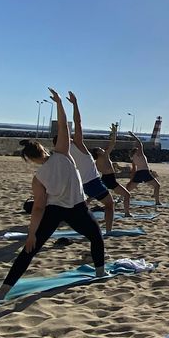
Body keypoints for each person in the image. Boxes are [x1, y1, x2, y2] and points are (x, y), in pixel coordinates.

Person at [0, 89, 106, 300]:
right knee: (96, 237)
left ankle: (3, 291)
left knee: (30, 251)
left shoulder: (38, 178)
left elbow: (38, 208)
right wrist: (60, 103)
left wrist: (32, 235)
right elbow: (64, 126)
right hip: (77, 209)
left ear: (30, 159)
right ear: (44, 149)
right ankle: (100, 273)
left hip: (54, 211)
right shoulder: (62, 152)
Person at [64, 92, 119, 233]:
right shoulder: (78, 146)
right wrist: (75, 104)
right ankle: (108, 231)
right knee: (110, 204)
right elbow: (78, 122)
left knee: (80, 208)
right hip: (93, 182)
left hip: (81, 184)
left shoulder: (63, 151)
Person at [92, 123, 132, 216]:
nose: (102, 149)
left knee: (92, 196)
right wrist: (114, 132)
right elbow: (113, 143)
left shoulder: (96, 161)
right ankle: (126, 213)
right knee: (127, 195)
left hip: (106, 179)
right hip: (109, 179)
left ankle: (81, 209)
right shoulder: (104, 156)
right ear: (98, 152)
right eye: (100, 149)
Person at [125, 131, 162, 205]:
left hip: (139, 173)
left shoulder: (133, 158)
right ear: (137, 151)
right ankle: (157, 202)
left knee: (129, 188)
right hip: (145, 172)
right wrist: (134, 136)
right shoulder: (140, 154)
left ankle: (120, 198)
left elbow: (133, 169)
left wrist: (132, 179)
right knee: (157, 185)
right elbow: (140, 143)